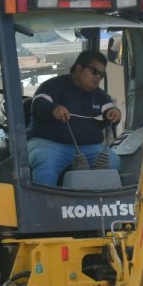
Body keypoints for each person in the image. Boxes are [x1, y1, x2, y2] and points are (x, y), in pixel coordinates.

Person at [26, 51, 122, 186]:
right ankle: (46, 205)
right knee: (45, 165)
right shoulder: (54, 85)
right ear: (78, 69)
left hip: (90, 148)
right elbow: (40, 103)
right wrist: (54, 109)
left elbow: (111, 110)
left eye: (101, 74)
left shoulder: (100, 95)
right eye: (94, 71)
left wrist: (115, 113)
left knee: (113, 162)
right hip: (49, 144)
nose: (98, 77)